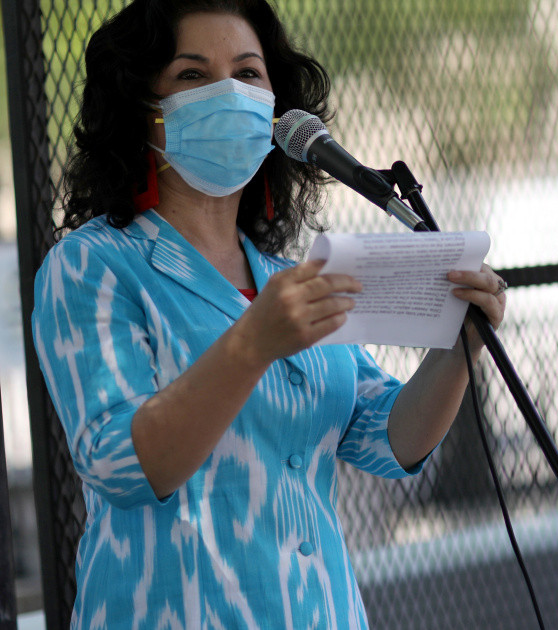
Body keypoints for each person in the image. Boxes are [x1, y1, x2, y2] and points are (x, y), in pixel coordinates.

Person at [30, 0, 506, 626]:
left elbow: (388, 441)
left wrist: (459, 349)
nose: (229, 92)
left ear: (279, 114)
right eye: (193, 75)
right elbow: (120, 465)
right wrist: (250, 345)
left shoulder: (287, 278)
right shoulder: (90, 267)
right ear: (144, 113)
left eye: (249, 74)